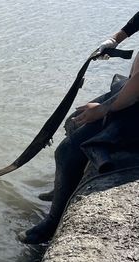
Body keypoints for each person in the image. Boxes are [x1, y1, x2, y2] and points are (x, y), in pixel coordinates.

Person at [20, 11, 139, 244]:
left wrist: (103, 109)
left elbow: (135, 92)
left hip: (135, 108)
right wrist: (115, 40)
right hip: (132, 95)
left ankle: (52, 224)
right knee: (74, 120)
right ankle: (62, 189)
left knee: (65, 152)